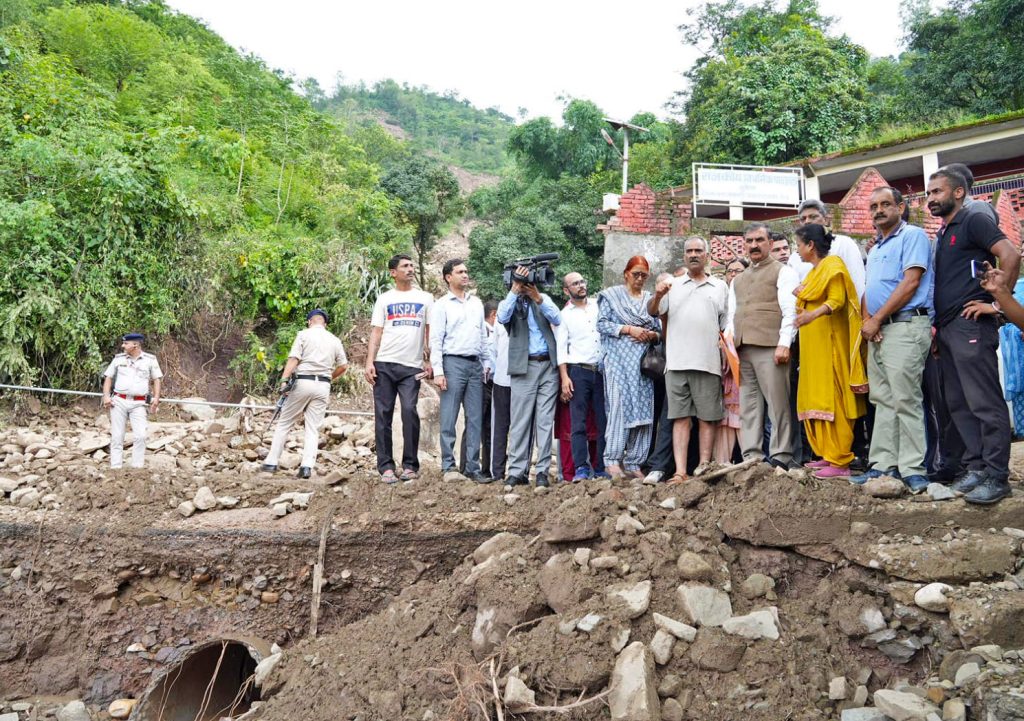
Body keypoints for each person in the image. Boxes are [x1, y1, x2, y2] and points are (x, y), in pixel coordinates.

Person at [927, 168, 1020, 504]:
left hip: (971, 325)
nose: (930, 198)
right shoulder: (944, 233)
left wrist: (997, 304)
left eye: (937, 191)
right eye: (928, 193)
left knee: (983, 401)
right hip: (948, 328)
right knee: (959, 403)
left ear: (959, 192)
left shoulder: (973, 220)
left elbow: (1011, 255)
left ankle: (997, 475)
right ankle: (977, 468)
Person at [850, 187, 933, 492]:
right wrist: (868, 321)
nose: (879, 210)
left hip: (906, 325)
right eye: (873, 206)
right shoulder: (875, 249)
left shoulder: (913, 236)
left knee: (906, 399)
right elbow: (868, 289)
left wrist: (878, 318)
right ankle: (883, 466)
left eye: (886, 204)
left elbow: (911, 282)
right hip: (880, 330)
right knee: (882, 400)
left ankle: (913, 469)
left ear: (900, 207)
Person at [649, 237, 728, 482]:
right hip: (676, 363)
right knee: (679, 418)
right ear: (684, 256)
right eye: (689, 251)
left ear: (707, 255)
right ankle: (680, 471)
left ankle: (704, 466)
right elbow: (653, 311)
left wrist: (725, 352)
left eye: (698, 250)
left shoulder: (720, 286)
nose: (693, 254)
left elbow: (725, 326)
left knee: (707, 418)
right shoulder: (672, 285)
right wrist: (658, 295)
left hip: (708, 362)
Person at [793, 224, 868, 478]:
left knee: (835, 399)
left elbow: (837, 300)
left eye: (799, 245)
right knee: (817, 399)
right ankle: (827, 455)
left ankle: (840, 461)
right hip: (814, 351)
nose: (797, 250)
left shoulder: (833, 265)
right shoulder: (813, 272)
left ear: (810, 245)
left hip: (831, 347)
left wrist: (811, 315)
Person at [725, 223, 799, 469]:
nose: (754, 245)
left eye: (759, 240)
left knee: (777, 404)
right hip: (743, 349)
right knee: (749, 406)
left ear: (770, 243)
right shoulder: (738, 279)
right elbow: (732, 315)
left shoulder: (783, 272)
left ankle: (781, 455)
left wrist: (784, 343)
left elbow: (790, 310)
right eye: (749, 241)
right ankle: (752, 456)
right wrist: (730, 346)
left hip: (771, 347)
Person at [365, 254, 433, 484]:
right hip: (384, 363)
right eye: (405, 266)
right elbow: (376, 332)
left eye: (412, 265)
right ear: (393, 273)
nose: (410, 269)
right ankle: (385, 466)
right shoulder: (384, 299)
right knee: (383, 414)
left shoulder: (425, 298)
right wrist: (370, 362)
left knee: (409, 410)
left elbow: (429, 331)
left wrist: (430, 360)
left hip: (411, 366)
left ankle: (410, 465)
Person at [497, 264, 562, 487]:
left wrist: (538, 298)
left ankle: (542, 471)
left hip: (548, 366)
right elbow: (502, 317)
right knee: (520, 420)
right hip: (523, 366)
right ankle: (517, 471)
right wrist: (515, 290)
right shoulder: (509, 301)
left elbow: (557, 318)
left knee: (545, 421)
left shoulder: (542, 298)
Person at [262, 309, 348, 478]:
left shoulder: (303, 334)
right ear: (325, 324)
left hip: (303, 381)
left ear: (310, 322)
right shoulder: (335, 340)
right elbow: (343, 366)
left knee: (285, 422)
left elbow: (294, 358)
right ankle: (306, 467)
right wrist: (330, 377)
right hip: (323, 386)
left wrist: (284, 380)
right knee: (313, 428)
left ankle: (271, 462)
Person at [597, 256, 661, 479]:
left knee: (644, 410)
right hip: (617, 362)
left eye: (644, 275)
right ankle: (612, 460)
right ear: (626, 274)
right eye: (636, 274)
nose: (639, 278)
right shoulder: (611, 296)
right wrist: (628, 329)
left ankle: (635, 461)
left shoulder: (650, 300)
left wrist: (651, 335)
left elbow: (659, 330)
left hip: (643, 365)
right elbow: (602, 324)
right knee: (619, 407)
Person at [429, 258, 490, 484]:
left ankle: (472, 467)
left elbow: (482, 335)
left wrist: (486, 361)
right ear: (448, 277)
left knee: (475, 418)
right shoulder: (442, 305)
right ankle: (448, 465)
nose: (465, 275)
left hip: (475, 364)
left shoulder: (476, 303)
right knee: (449, 416)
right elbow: (436, 339)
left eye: (466, 271)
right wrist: (438, 371)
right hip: (452, 362)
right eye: (460, 272)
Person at [556, 271, 608, 481]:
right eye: (575, 284)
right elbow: (561, 349)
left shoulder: (598, 306)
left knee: (603, 420)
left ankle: (601, 467)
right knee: (578, 423)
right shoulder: (564, 315)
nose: (581, 285)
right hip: (578, 371)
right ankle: (581, 468)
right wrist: (564, 378)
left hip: (601, 370)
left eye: (582, 281)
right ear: (566, 290)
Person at [102, 333, 162, 470]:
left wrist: (156, 399)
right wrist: (106, 396)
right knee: (117, 436)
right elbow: (108, 377)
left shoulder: (150, 360)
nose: (123, 346)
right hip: (119, 401)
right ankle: (116, 467)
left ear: (135, 345)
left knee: (140, 435)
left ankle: (137, 468)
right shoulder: (118, 359)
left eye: (126, 343)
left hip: (139, 403)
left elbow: (157, 379)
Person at [461, 300, 498, 478]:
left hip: (495, 383)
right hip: (481, 382)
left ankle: (486, 469)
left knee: (490, 426)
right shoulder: (481, 331)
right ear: (494, 314)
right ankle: (466, 466)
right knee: (474, 423)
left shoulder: (497, 332)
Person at [715, 259, 747, 464]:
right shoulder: (720, 298)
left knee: (744, 413)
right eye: (730, 271)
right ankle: (721, 463)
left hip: (744, 362)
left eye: (739, 271)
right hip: (720, 365)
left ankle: (749, 461)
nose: (734, 274)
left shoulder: (749, 297)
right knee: (723, 416)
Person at [487, 314, 512, 480]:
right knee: (499, 428)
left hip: (525, 383)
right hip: (502, 380)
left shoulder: (532, 312)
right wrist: (494, 371)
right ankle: (497, 472)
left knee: (521, 429)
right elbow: (493, 349)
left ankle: (519, 472)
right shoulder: (500, 318)